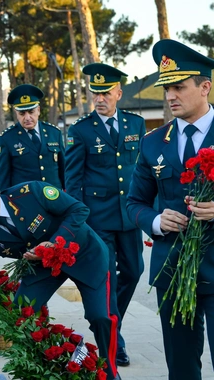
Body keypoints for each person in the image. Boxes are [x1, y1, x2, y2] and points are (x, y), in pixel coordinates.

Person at [0, 167, 119, 380]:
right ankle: (45, 370)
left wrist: (54, 243)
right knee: (20, 316)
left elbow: (79, 210)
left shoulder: (31, 193)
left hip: (83, 255)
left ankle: (111, 374)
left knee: (101, 317)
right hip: (42, 266)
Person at [127, 39, 214, 379]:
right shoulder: (152, 143)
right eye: (167, 88)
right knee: (180, 368)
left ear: (205, 86)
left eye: (179, 86)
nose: (170, 96)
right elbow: (134, 202)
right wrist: (156, 220)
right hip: (174, 269)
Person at [65, 63, 146, 367]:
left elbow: (141, 170)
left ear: (118, 94)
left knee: (135, 271)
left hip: (129, 216)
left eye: (106, 93)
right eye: (95, 93)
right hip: (97, 219)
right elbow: (72, 179)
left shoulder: (135, 125)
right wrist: (77, 219)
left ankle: (116, 323)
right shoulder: (81, 129)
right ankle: (115, 342)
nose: (100, 98)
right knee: (108, 278)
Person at [0, 84, 65, 190]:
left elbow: (64, 169)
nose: (27, 118)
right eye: (22, 113)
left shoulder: (54, 133)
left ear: (38, 110)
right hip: (24, 200)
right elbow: (2, 178)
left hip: (55, 198)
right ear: (16, 113)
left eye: (31, 112)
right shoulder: (6, 139)